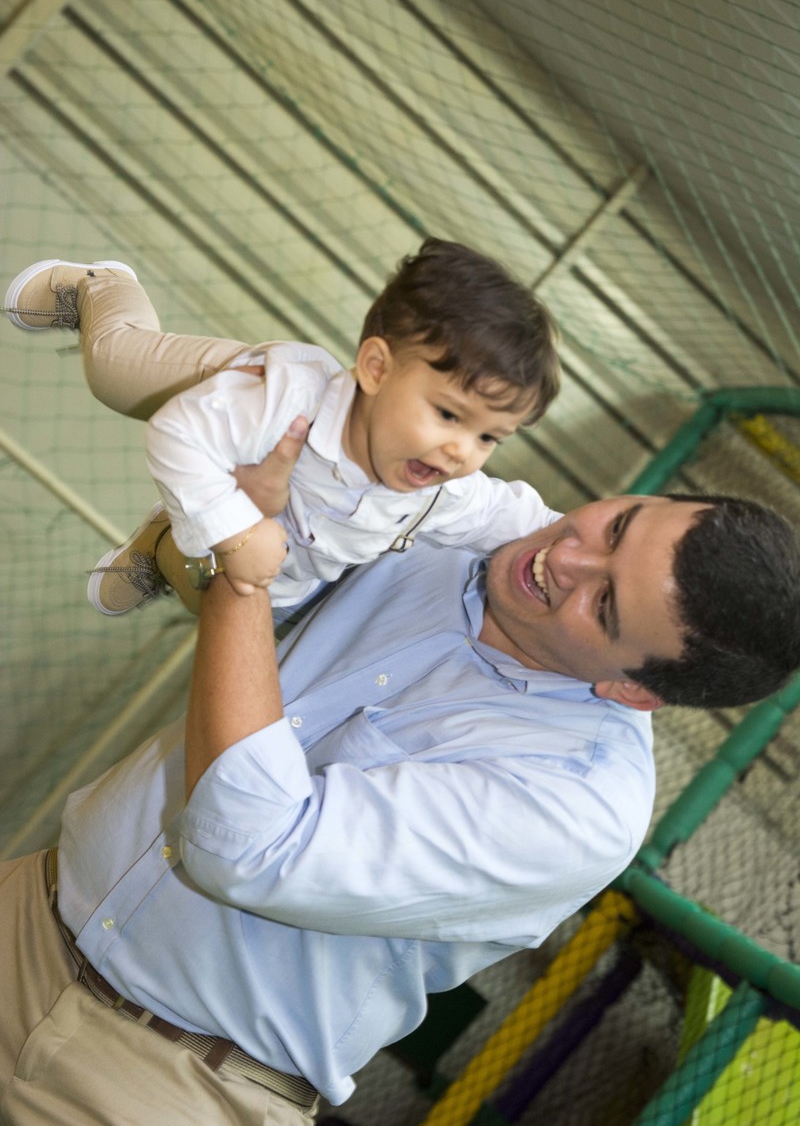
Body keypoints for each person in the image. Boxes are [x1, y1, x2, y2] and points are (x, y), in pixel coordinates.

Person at [2, 423, 800, 1125]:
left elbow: (247, 846)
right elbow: (237, 536)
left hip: (154, 1080)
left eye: (605, 605)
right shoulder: (467, 523)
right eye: (618, 526)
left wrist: (241, 574)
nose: (565, 556)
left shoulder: (578, 803)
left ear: (634, 691)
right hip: (28, 909)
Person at [3, 239, 561, 618]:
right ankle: (101, 288)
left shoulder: (441, 494)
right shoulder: (288, 401)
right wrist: (236, 532)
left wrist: (590, 547)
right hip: (238, 395)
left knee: (223, 597)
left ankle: (162, 546)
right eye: (449, 415)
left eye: (489, 437)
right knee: (113, 371)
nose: (462, 451)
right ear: (376, 368)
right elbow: (176, 434)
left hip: (271, 564)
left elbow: (520, 520)